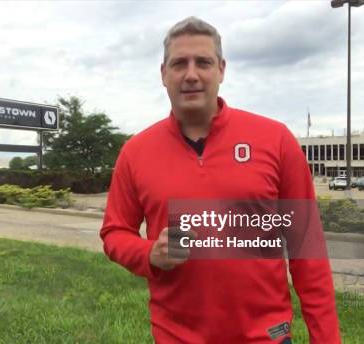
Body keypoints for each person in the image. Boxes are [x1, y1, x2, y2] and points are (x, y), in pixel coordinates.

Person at [100, 16, 341, 343]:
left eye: (203, 62)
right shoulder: (136, 152)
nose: (191, 75)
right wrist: (148, 255)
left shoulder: (275, 140)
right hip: (176, 336)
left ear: (222, 70)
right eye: (179, 64)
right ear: (163, 74)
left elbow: (307, 250)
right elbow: (115, 232)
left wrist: (326, 338)